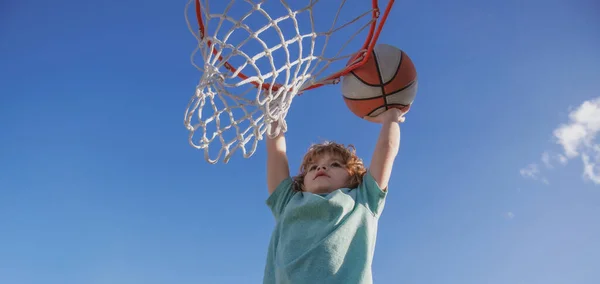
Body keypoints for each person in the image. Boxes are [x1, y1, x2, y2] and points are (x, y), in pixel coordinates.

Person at [263, 108, 406, 284]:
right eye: (313, 167)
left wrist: (390, 118)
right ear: (302, 182)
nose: (321, 168)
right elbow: (276, 154)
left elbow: (387, 149)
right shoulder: (288, 201)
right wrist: (275, 113)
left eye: (335, 164)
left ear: (353, 176)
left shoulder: (363, 199)